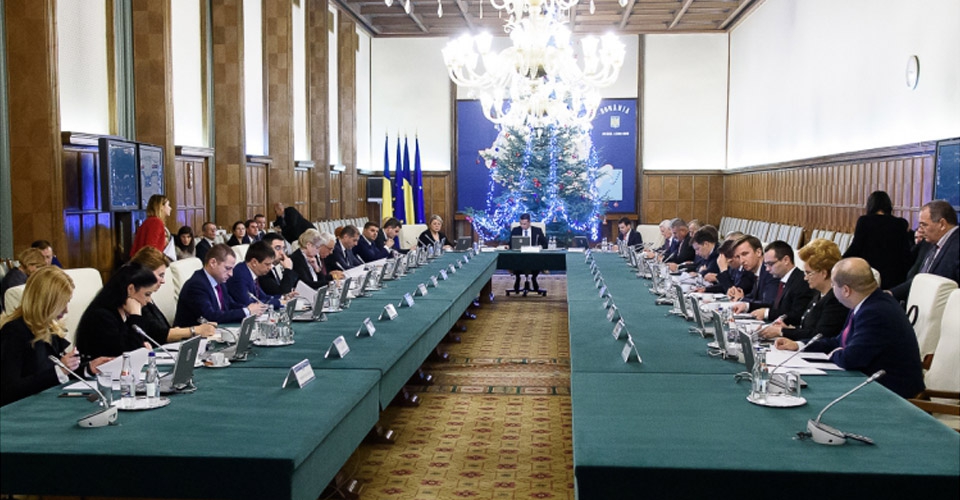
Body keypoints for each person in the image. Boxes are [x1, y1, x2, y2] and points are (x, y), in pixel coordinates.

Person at [776, 258, 924, 399]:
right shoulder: (866, 303)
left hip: (893, 394)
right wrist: (799, 345)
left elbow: (851, 358)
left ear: (846, 290)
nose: (832, 289)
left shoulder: (875, 311)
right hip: (872, 384)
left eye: (833, 285)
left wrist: (833, 353)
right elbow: (839, 341)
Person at [1, 267, 110, 406]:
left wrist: (88, 368)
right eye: (62, 304)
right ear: (47, 303)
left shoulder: (50, 327)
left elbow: (58, 371)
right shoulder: (14, 331)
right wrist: (59, 371)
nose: (66, 310)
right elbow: (9, 390)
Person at [758, 238, 849, 342]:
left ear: (823, 273)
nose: (805, 278)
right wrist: (788, 328)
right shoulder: (818, 294)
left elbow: (819, 335)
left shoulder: (835, 300)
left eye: (808, 273)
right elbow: (806, 328)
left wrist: (782, 331)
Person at [129, 247, 216, 344]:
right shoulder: (134, 297)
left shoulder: (148, 296)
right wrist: (195, 330)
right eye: (160, 275)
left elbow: (162, 328)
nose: (163, 281)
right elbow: (158, 334)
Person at [74, 263, 158, 359]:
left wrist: (144, 345)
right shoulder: (101, 317)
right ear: (130, 289)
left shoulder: (126, 311)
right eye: (147, 294)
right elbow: (127, 355)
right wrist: (136, 316)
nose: (149, 300)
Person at [173, 244, 269, 326]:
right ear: (213, 263)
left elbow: (229, 304)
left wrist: (250, 308)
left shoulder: (219, 281)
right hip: (191, 338)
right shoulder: (197, 285)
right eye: (227, 268)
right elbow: (210, 317)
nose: (231, 274)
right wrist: (246, 311)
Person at [889, 200, 959, 301]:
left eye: (924, 225)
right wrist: (891, 293)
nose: (921, 230)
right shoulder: (930, 242)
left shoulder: (956, 246)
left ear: (942, 224)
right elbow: (919, 279)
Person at [733, 240, 814, 324]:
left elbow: (796, 315)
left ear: (786, 260)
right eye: (766, 265)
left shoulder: (801, 281)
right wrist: (747, 306)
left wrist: (766, 313)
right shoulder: (784, 279)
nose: (767, 269)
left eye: (771, 264)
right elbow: (774, 306)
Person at [843, 191, 912, 289]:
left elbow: (856, 247)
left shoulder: (864, 221)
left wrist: (840, 261)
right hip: (895, 277)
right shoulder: (900, 223)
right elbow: (905, 253)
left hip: (869, 275)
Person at [226, 240, 285, 310]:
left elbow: (262, 297)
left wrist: (283, 297)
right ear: (254, 262)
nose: (270, 267)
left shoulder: (251, 273)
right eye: (267, 264)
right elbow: (249, 304)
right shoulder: (240, 276)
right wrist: (278, 302)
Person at [727, 236, 775, 305]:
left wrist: (741, 299)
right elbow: (754, 297)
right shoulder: (755, 272)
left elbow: (767, 303)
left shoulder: (770, 272)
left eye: (745, 254)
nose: (741, 261)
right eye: (738, 257)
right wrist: (736, 295)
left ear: (758, 252)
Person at [509, 214, 548, 293]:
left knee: (537, 261)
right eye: (521, 224)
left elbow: (545, 244)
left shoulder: (537, 231)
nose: (522, 226)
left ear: (529, 223)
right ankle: (517, 278)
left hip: (533, 256)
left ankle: (534, 278)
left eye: (524, 224)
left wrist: (539, 247)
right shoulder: (516, 230)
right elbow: (510, 244)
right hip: (519, 256)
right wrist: (508, 246)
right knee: (514, 260)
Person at [1, 248, 47, 313]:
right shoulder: (15, 280)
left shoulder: (19, 275)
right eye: (37, 267)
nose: (38, 271)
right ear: (29, 264)